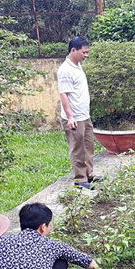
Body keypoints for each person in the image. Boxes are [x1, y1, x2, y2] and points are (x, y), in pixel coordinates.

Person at [57, 36, 101, 190]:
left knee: (89, 147)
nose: (86, 55)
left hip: (84, 115)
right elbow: (63, 95)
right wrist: (70, 117)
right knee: (78, 149)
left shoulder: (77, 65)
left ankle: (89, 175)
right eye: (84, 52)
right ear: (73, 50)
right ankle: (80, 180)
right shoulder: (65, 70)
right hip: (74, 118)